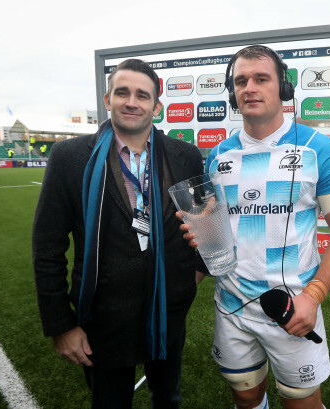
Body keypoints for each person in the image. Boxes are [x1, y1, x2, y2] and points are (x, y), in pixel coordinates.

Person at [185, 45, 330, 409]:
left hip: (291, 308)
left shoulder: (319, 149)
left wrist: (313, 296)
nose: (249, 87)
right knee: (246, 393)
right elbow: (215, 232)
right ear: (232, 94)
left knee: (300, 400)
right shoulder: (219, 156)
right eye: (241, 81)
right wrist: (201, 234)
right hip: (231, 305)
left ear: (283, 87)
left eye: (261, 78)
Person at [33, 58, 205, 409]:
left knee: (168, 398)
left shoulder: (184, 155)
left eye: (142, 95)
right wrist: (61, 325)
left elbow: (204, 224)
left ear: (156, 106)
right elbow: (47, 245)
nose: (131, 101)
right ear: (107, 99)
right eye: (122, 92)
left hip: (168, 311)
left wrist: (191, 276)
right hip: (102, 318)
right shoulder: (70, 157)